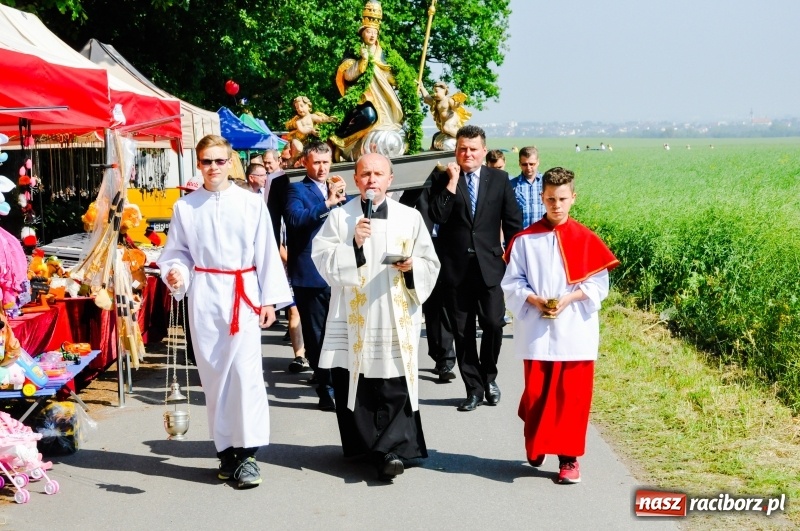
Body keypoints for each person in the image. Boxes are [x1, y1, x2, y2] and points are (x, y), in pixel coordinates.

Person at [158, 134, 292, 489]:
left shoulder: (250, 203)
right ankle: (226, 452)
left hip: (243, 294)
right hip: (204, 297)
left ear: (230, 162)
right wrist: (176, 272)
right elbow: (177, 254)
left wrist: (269, 300)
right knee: (215, 377)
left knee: (245, 376)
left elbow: (265, 251)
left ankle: (248, 455)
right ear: (198, 164)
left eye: (219, 161)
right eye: (206, 161)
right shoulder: (185, 207)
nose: (213, 167)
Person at [311, 153, 440, 481]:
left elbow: (430, 261)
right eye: (365, 174)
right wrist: (353, 243)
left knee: (395, 379)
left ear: (390, 179)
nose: (372, 180)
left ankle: (392, 450)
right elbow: (322, 258)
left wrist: (413, 267)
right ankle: (367, 445)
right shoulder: (341, 218)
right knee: (360, 381)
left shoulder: (410, 217)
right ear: (356, 180)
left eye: (378, 174)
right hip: (356, 315)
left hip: (395, 310)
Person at [501, 167, 619, 484]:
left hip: (575, 331)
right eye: (550, 198)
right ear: (542, 198)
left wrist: (570, 298)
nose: (556, 205)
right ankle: (537, 443)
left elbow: (598, 286)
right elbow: (512, 282)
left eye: (562, 198)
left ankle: (568, 459)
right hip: (537, 329)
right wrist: (533, 299)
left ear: (573, 198)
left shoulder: (587, 240)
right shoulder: (525, 241)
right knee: (538, 394)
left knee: (572, 399)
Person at [428, 125, 523, 412]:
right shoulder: (442, 178)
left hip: (490, 266)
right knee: (462, 332)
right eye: (462, 149)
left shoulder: (500, 179)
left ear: (483, 151)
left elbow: (513, 222)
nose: (467, 153)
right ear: (455, 151)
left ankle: (489, 377)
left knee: (494, 323)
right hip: (455, 269)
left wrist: (513, 259)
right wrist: (451, 184)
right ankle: (473, 388)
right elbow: (437, 216)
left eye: (472, 149)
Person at [285, 141, 349, 410]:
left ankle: (344, 384)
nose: (322, 168)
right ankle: (326, 389)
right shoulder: (296, 189)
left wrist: (345, 199)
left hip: (340, 271)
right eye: (317, 162)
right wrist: (327, 203)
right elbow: (295, 220)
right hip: (310, 275)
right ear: (305, 163)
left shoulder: (342, 188)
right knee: (316, 335)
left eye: (326, 162)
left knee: (342, 331)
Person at [330, 0, 405, 160]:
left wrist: (403, 81)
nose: (372, 35)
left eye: (374, 32)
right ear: (362, 33)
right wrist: (362, 61)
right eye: (368, 32)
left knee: (396, 119)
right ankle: (341, 139)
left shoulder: (383, 54)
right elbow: (347, 75)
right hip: (364, 99)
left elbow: (388, 76)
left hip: (384, 99)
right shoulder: (355, 51)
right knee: (368, 116)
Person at [263, 149, 308, 371]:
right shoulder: (278, 183)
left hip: (311, 258)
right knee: (294, 309)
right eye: (292, 158)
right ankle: (299, 355)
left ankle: (313, 355)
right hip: (288, 258)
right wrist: (286, 258)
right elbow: (272, 232)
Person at [509, 146, 545, 229]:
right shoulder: (512, 185)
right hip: (522, 236)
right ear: (519, 163)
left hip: (543, 234)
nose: (528, 168)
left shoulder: (547, 183)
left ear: (538, 162)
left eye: (532, 164)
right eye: (524, 164)